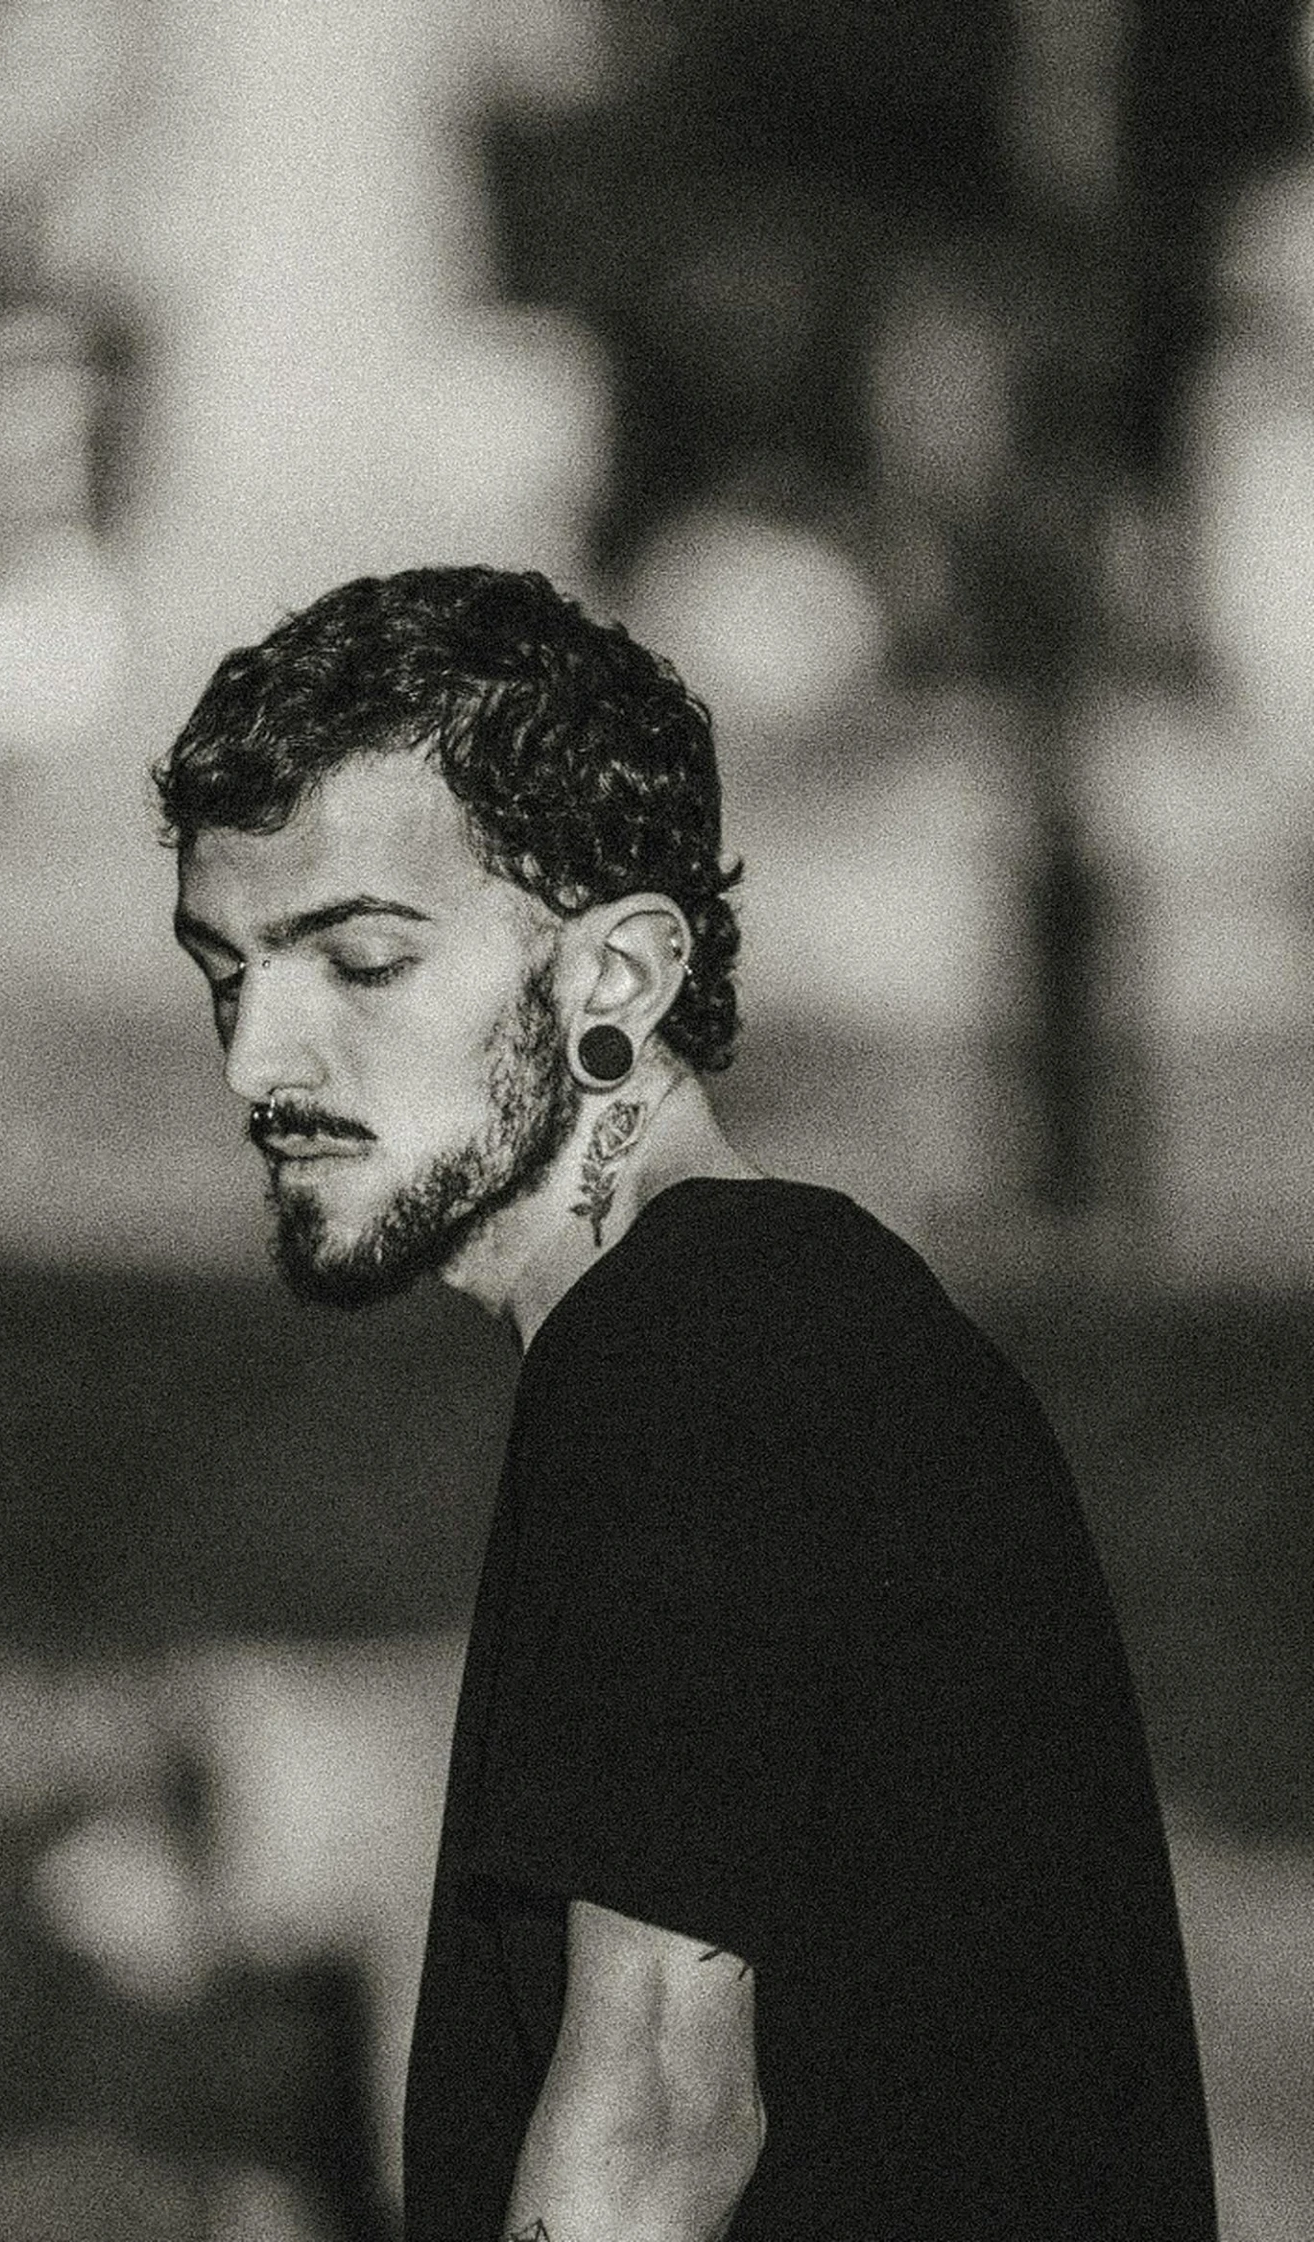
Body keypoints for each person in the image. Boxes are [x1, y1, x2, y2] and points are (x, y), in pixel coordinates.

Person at [156, 565, 1217, 2242]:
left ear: (620, 978)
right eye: (225, 970)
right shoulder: (764, 1330)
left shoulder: (702, 1348)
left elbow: (654, 2125)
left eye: (358, 960)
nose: (255, 1061)